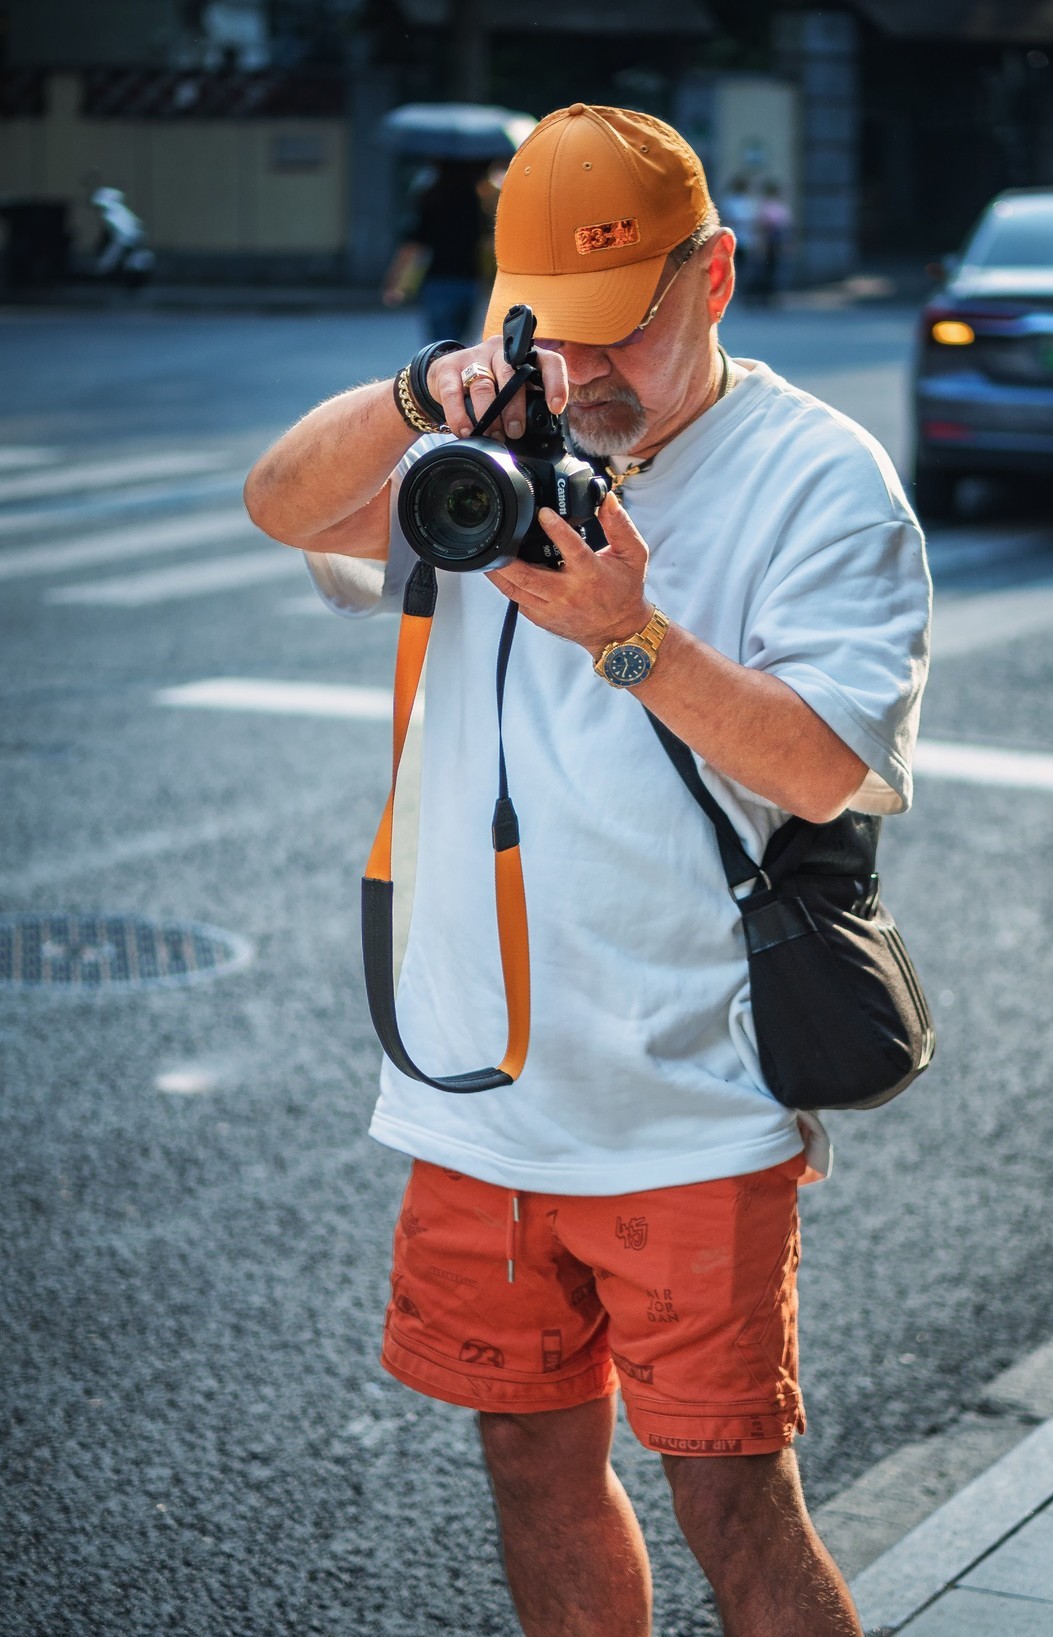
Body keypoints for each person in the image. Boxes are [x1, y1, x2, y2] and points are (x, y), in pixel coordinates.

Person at [245, 103, 930, 1637]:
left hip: (689, 1095)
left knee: (732, 1497)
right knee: (530, 1463)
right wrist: (421, 397)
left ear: (716, 276)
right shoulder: (473, 457)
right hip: (478, 1088)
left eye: (626, 322)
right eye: (555, 326)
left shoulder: (820, 478)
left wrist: (632, 637)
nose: (590, 367)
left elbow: (822, 766)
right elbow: (279, 504)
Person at [381, 158, 491, 340]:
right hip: (469, 280)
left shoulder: (431, 199)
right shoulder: (479, 201)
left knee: (440, 345)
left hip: (439, 280)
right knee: (461, 345)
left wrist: (394, 281)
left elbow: (412, 245)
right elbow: (487, 242)